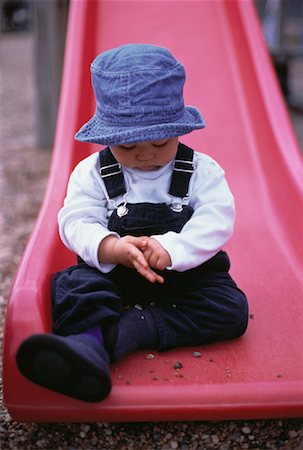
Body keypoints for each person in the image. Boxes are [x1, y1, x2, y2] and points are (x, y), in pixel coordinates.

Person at [16, 44, 249, 403]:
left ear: (178, 130)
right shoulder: (92, 173)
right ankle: (86, 344)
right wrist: (110, 247)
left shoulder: (202, 170)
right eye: (126, 146)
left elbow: (216, 219)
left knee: (230, 309)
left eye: (159, 142)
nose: (144, 154)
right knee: (74, 289)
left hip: (184, 277)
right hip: (116, 274)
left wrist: (173, 248)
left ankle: (126, 332)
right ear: (108, 139)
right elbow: (76, 219)